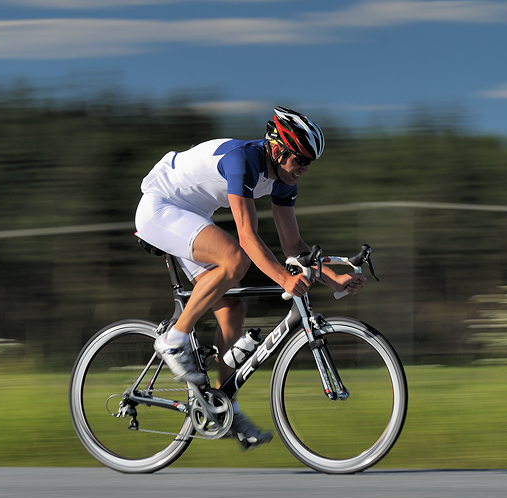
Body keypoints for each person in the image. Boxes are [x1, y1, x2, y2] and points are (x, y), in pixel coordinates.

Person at [135, 106, 365, 449]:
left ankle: (224, 408)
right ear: (277, 149)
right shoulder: (243, 160)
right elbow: (247, 237)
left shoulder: (284, 180)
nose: (303, 168)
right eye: (300, 159)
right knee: (234, 259)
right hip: (161, 208)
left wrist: (332, 277)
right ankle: (173, 339)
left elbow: (293, 246)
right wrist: (284, 281)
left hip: (191, 215)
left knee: (232, 308)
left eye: (309, 163)